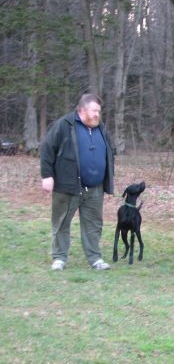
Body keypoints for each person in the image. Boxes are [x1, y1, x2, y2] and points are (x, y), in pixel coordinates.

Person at [40, 93, 114, 270]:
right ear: (82, 110)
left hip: (95, 188)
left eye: (99, 111)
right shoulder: (64, 125)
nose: (97, 114)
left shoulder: (101, 128)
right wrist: (47, 175)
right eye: (94, 110)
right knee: (61, 222)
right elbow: (47, 149)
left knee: (94, 224)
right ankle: (59, 258)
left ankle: (95, 258)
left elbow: (109, 152)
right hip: (68, 186)